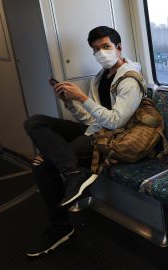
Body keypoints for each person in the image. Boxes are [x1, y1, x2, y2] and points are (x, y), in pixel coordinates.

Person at [24, 26, 145, 256]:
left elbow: (115, 122)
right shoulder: (100, 77)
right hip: (95, 131)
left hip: (114, 139)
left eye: (106, 47)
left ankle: (60, 228)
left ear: (119, 48)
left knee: (42, 166)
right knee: (35, 122)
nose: (101, 52)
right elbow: (91, 119)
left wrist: (82, 97)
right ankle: (72, 173)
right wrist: (70, 103)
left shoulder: (130, 80)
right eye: (96, 49)